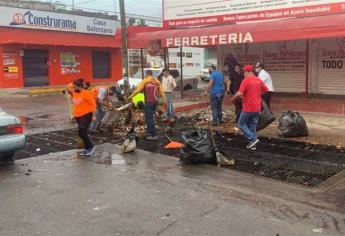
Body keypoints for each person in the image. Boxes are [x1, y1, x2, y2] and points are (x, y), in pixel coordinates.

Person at [230, 65, 269, 150]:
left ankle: (253, 139)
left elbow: (239, 93)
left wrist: (232, 99)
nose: (243, 74)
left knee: (241, 124)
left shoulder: (246, 80)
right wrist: (256, 94)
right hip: (257, 107)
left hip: (248, 107)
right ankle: (253, 145)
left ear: (247, 72)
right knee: (252, 126)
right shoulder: (258, 80)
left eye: (244, 72)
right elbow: (266, 90)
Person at [128, 70, 166, 140]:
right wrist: (165, 102)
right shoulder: (157, 81)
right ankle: (149, 132)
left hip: (149, 102)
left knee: (149, 119)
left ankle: (153, 135)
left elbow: (137, 90)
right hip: (155, 102)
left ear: (147, 74)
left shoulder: (145, 81)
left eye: (145, 74)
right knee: (149, 118)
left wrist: (130, 97)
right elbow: (162, 93)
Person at [71, 79, 96, 156]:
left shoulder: (87, 93)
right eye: (73, 87)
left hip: (86, 115)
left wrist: (94, 116)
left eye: (75, 87)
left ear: (80, 86)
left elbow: (93, 104)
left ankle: (91, 146)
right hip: (77, 115)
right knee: (83, 132)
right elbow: (76, 104)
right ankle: (87, 148)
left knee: (81, 132)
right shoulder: (74, 92)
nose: (73, 89)